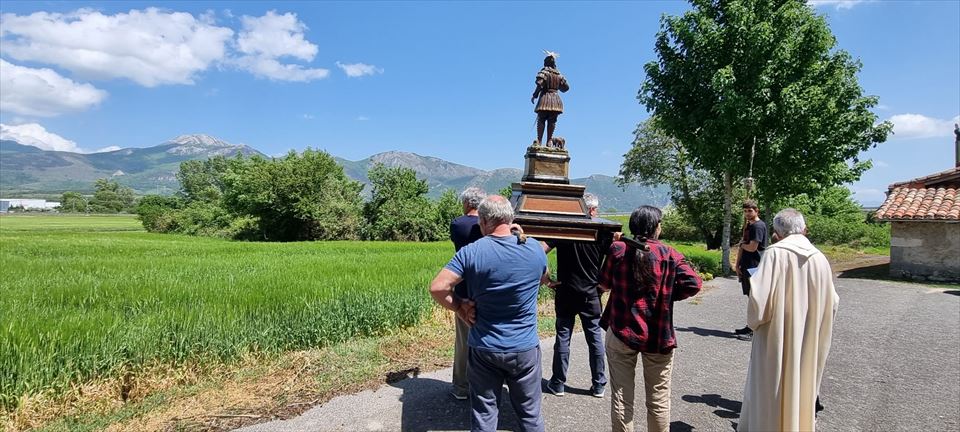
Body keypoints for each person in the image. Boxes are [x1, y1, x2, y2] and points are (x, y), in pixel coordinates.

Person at [429, 195, 550, 432]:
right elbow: (544, 277)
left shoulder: (472, 251)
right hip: (524, 348)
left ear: (483, 222)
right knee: (530, 415)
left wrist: (460, 306)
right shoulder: (535, 249)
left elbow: (438, 287)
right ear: (511, 219)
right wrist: (523, 237)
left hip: (485, 347)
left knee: (485, 416)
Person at [599, 206, 703, 432]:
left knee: (621, 396)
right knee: (658, 399)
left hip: (621, 332)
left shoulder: (618, 249)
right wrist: (665, 296)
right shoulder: (669, 253)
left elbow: (604, 284)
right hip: (658, 335)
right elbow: (694, 283)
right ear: (655, 227)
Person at [739, 209, 839, 432]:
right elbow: (832, 303)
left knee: (771, 387)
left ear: (776, 232)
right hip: (808, 336)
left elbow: (759, 300)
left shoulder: (775, 253)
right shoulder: (819, 257)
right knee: (801, 385)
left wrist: (754, 323)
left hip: (776, 335)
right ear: (803, 228)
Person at [542, 193, 608, 398]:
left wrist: (546, 279)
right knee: (595, 339)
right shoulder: (601, 232)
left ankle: (558, 383)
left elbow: (538, 250)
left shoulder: (565, 229)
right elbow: (616, 257)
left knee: (563, 337)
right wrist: (604, 284)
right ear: (592, 210)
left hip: (565, 291)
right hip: (591, 293)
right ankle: (599, 385)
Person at [448, 187, 487, 400]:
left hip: (463, 291)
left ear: (466, 203)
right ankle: (484, 384)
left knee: (463, 341)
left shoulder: (457, 225)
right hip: (485, 290)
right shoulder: (488, 226)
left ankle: (462, 387)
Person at [734, 199, 767, 337]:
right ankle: (750, 326)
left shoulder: (758, 226)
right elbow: (743, 244)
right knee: (750, 296)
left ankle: (755, 329)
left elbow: (753, 247)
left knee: (755, 298)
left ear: (756, 210)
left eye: (750, 211)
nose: (747, 213)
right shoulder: (749, 226)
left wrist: (741, 245)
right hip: (746, 265)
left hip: (755, 266)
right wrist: (737, 264)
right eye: (745, 211)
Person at [530, 51, 570, 147]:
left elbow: (539, 84)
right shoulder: (559, 75)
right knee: (552, 120)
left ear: (546, 62)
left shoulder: (544, 72)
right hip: (555, 99)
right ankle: (549, 140)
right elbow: (566, 88)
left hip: (545, 98)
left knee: (542, 119)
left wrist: (534, 95)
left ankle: (539, 140)